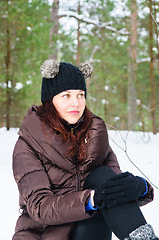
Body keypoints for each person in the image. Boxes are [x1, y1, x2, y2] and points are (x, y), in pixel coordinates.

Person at [12, 59, 158, 240]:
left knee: (102, 176)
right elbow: (40, 207)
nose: (76, 103)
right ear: (50, 100)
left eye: (80, 95)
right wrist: (92, 200)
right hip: (45, 234)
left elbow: (114, 192)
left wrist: (141, 188)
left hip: (89, 231)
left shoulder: (94, 136)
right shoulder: (28, 144)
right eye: (66, 95)